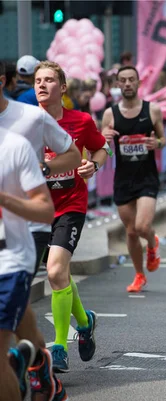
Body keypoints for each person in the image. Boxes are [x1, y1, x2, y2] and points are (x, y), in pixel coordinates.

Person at [34, 61, 108, 373]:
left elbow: (102, 149)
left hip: (70, 207)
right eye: (38, 80)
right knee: (59, 274)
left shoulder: (80, 121)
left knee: (54, 271)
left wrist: (95, 164)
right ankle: (85, 320)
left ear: (62, 88)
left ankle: (61, 347)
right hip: (35, 209)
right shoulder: (25, 121)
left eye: (49, 80)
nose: (41, 85)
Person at [0, 128, 56, 401]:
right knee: (25, 331)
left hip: (7, 261)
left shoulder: (13, 146)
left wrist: (3, 198)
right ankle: (33, 360)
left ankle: (31, 362)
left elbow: (45, 209)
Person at [101, 66, 166, 292]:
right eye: (123, 80)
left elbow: (163, 139)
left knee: (142, 226)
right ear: (117, 85)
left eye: (131, 80)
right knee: (130, 231)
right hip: (123, 179)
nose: (127, 84)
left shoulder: (152, 110)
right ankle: (139, 275)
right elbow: (104, 151)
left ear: (139, 83)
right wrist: (104, 139)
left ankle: (152, 241)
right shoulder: (110, 114)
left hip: (147, 177)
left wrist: (155, 144)